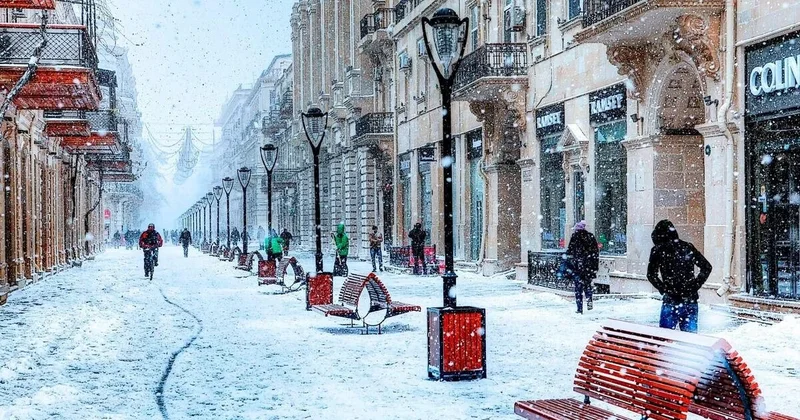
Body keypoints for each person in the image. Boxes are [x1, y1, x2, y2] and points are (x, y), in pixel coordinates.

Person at [647, 220, 712, 333]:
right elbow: (706, 267)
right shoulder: (687, 247)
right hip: (689, 299)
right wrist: (695, 285)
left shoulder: (658, 250)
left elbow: (651, 274)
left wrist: (663, 288)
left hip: (671, 299)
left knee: (665, 338)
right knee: (690, 340)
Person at [565, 221, 599, 314]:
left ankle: (579, 308)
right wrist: (594, 267)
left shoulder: (575, 237)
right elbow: (595, 253)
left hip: (578, 267)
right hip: (588, 267)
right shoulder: (590, 236)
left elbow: (570, 252)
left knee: (578, 288)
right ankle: (589, 303)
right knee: (588, 286)